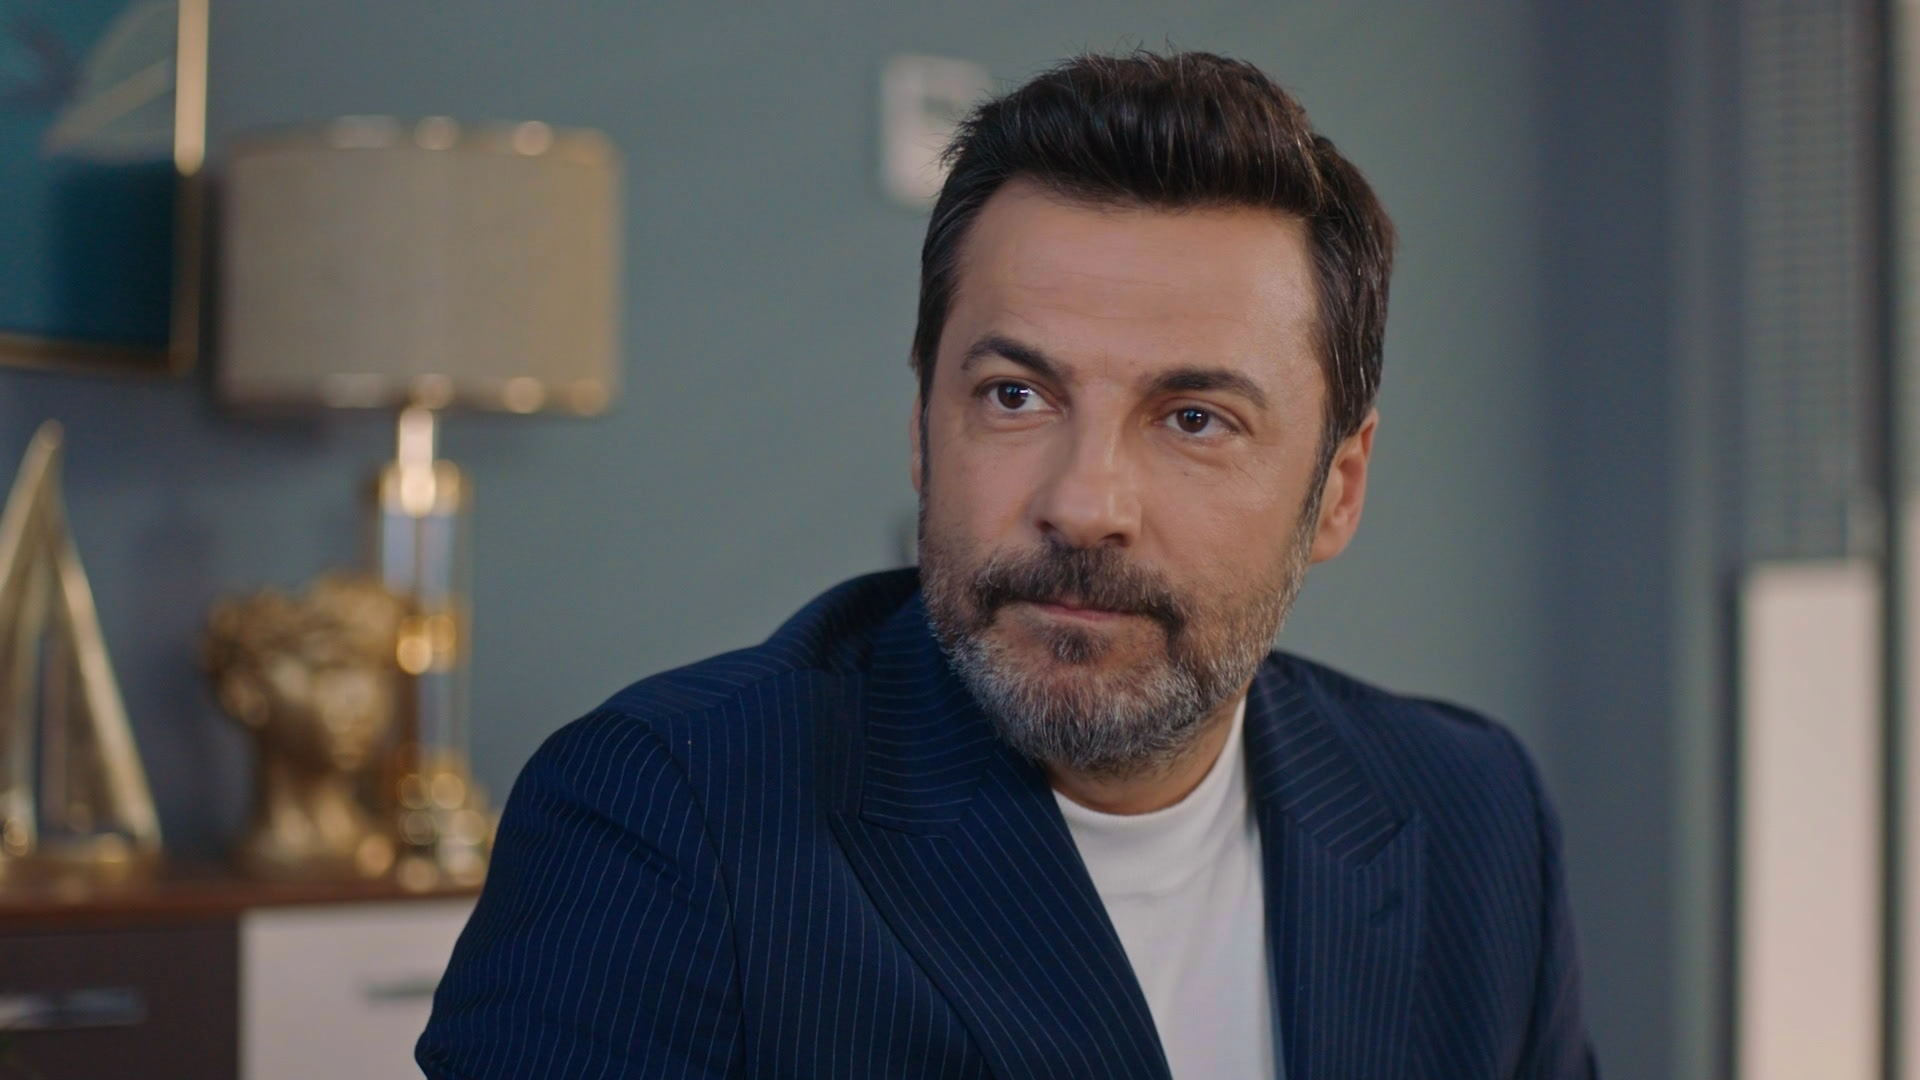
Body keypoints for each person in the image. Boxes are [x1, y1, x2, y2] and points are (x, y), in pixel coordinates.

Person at [418, 50, 1596, 1079]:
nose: (1083, 506)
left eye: (1195, 419)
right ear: (923, 431)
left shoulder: (1471, 812)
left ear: (1337, 489)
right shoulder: (666, 818)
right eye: (1017, 396)